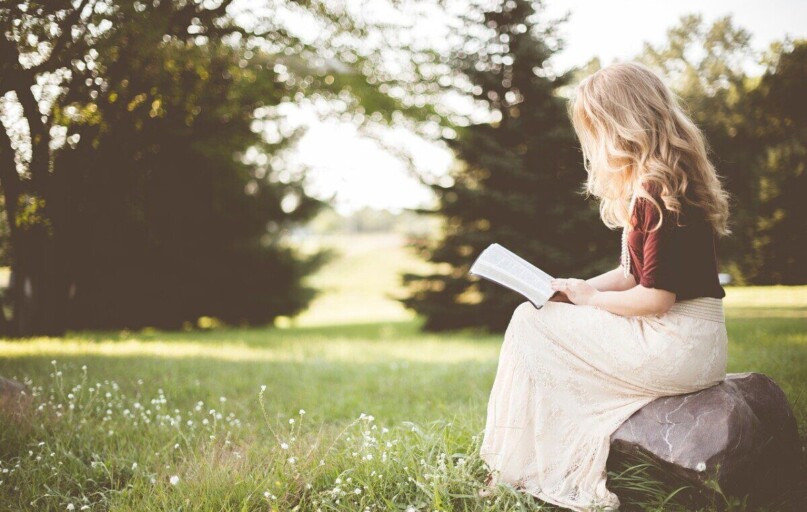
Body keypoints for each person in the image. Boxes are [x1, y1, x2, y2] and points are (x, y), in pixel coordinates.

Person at [478, 61, 731, 511]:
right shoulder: (665, 180)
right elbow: (631, 275)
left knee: (527, 322)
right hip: (697, 342)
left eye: (596, 128)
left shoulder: (655, 188)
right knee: (542, 316)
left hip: (675, 341)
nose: (592, 142)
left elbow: (655, 298)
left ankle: (518, 468)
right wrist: (574, 289)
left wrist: (592, 301)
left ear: (622, 124)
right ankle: (522, 463)